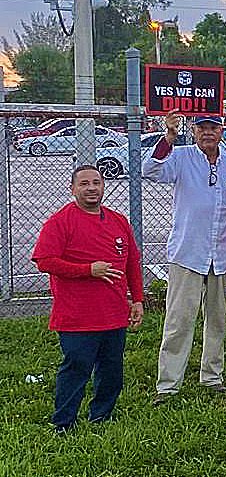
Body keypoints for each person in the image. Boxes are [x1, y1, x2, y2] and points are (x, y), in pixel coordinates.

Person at [33, 165, 144, 432]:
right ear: (73, 189)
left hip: (113, 314)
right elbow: (44, 261)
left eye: (96, 182)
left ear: (104, 186)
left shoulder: (118, 221)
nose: (91, 188)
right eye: (84, 184)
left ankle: (101, 416)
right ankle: (63, 423)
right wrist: (88, 270)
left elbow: (132, 262)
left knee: (111, 371)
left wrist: (137, 299)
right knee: (76, 369)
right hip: (77, 317)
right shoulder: (59, 222)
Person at [143, 110, 226, 405]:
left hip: (221, 254)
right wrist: (168, 137)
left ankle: (212, 376)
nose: (207, 132)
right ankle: (168, 385)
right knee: (179, 320)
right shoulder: (181, 157)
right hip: (187, 254)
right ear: (194, 131)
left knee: (217, 320)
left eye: (213, 127)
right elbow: (150, 170)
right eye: (202, 128)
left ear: (222, 130)